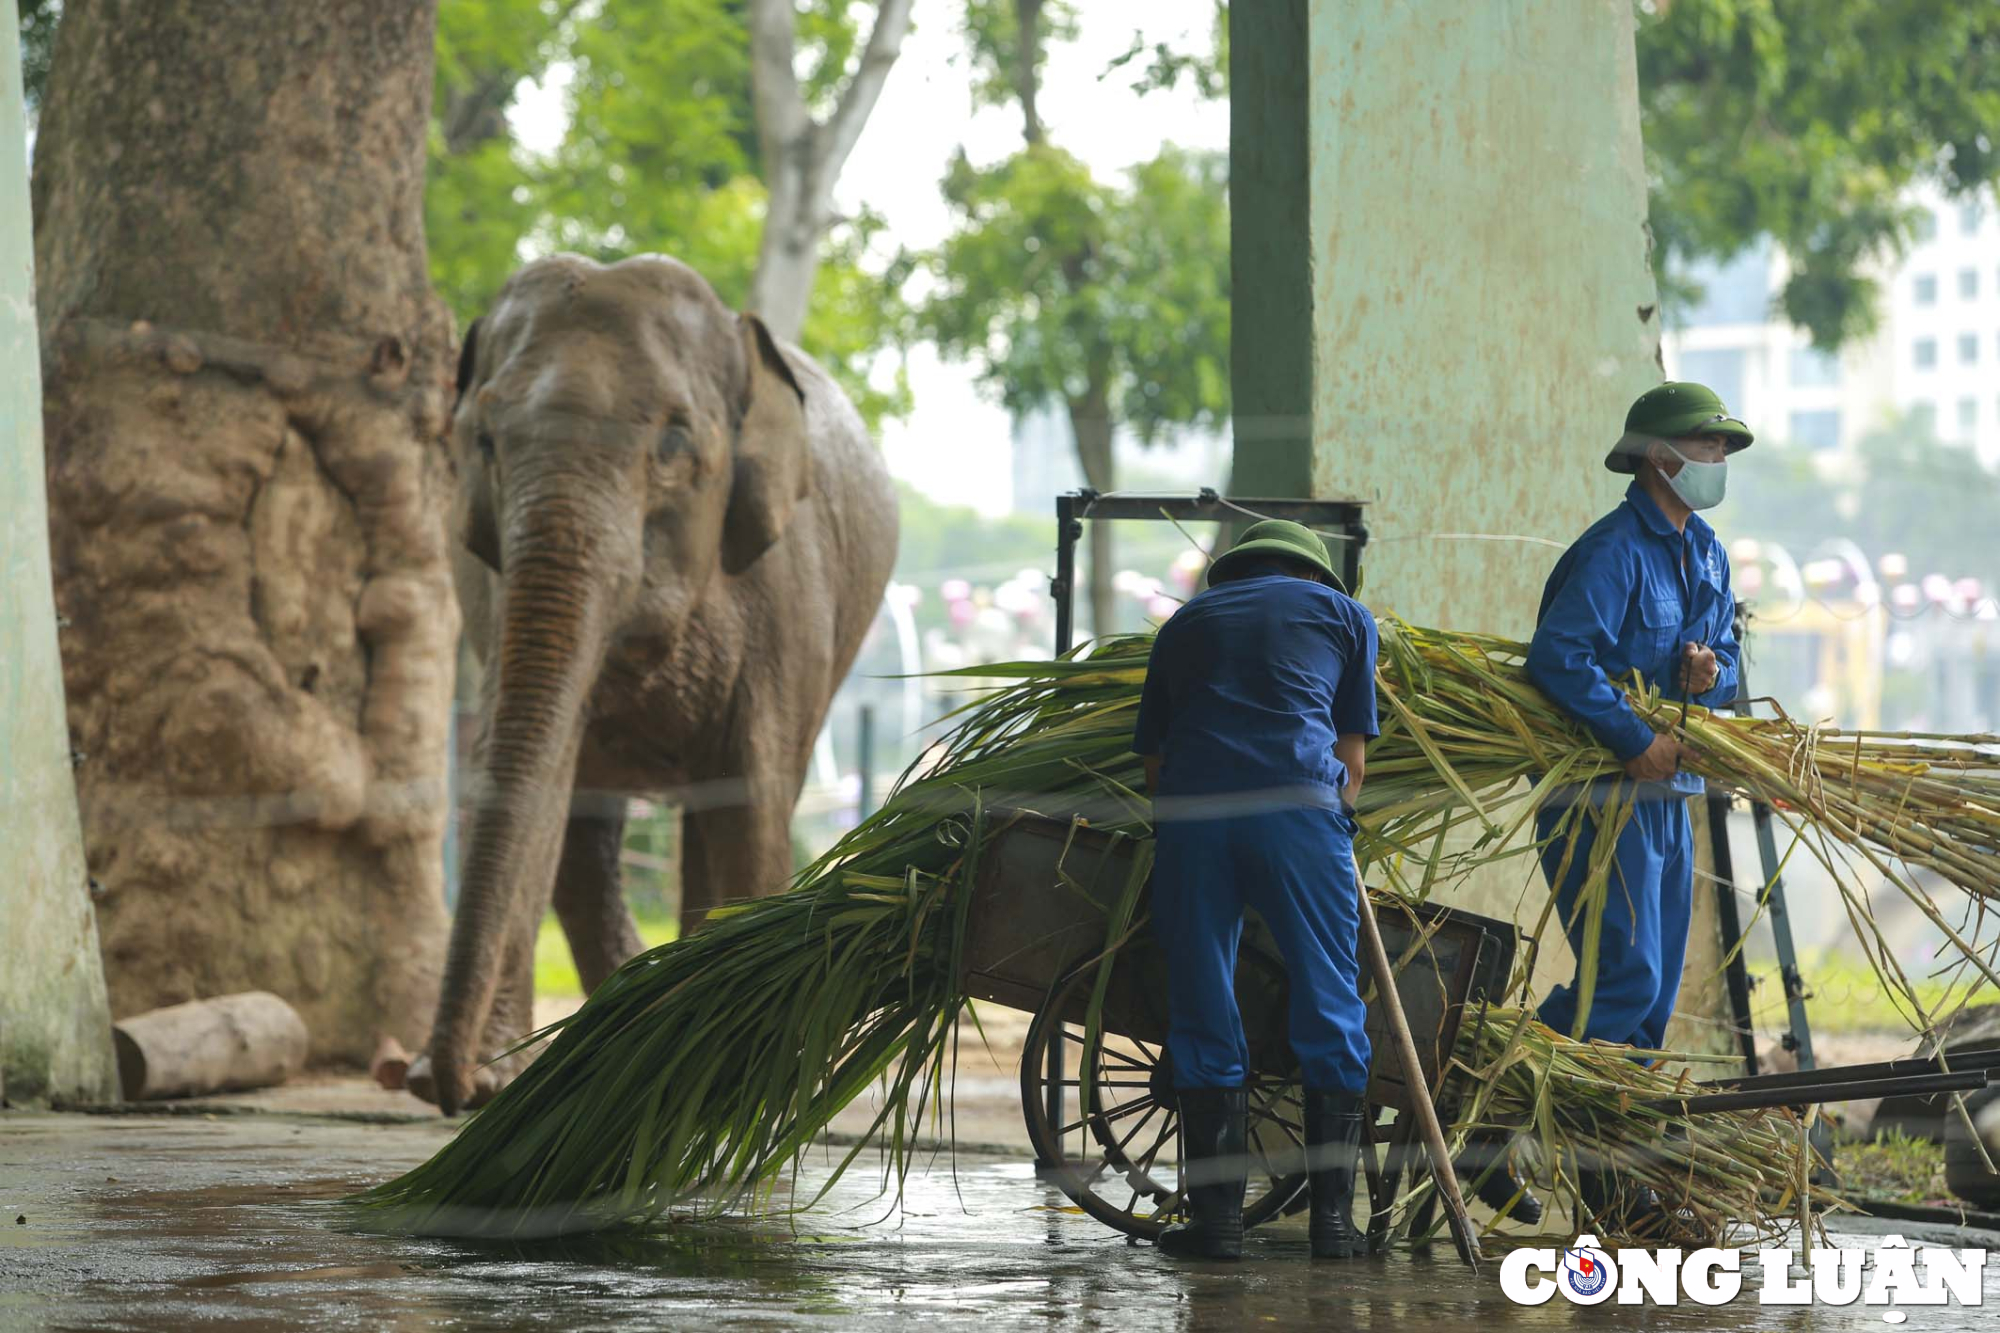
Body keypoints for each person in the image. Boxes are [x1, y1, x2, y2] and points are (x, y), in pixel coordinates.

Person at [1523, 380, 1749, 1231]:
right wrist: (1631, 738)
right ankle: (1504, 1099)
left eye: (1724, 448)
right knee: (1627, 976)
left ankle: (1620, 1188)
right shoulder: (1613, 550)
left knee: (1651, 1004)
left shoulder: (1710, 553)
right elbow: (1558, 657)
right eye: (1709, 446)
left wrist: (1709, 673)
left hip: (1668, 799)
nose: (1720, 461)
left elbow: (1729, 663)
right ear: (1663, 457)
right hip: (1599, 796)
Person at [1131, 519, 1379, 1262]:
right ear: (1312, 574)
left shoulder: (1182, 624)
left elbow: (1153, 763)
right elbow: (1352, 764)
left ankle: (1216, 1224)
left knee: (1204, 1001)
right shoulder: (1344, 616)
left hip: (1194, 818)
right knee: (1330, 998)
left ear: (1233, 575)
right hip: (1299, 814)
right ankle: (1332, 1225)